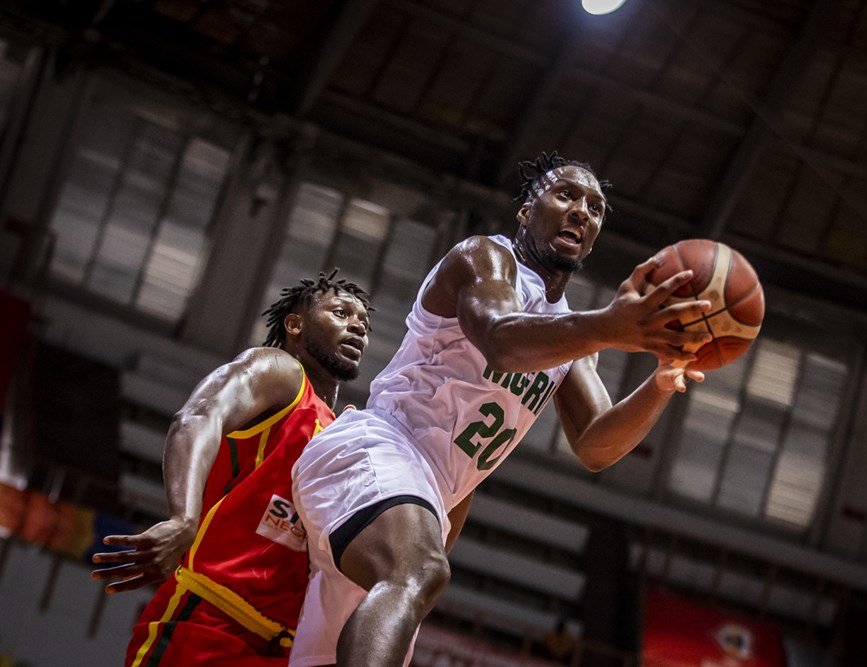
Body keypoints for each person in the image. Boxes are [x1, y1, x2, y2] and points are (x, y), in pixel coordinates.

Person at [290, 152, 712, 666]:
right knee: (418, 571)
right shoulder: (485, 258)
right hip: (375, 451)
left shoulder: (572, 334)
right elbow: (501, 340)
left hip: (418, 501)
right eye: (566, 195)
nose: (583, 211)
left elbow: (597, 446)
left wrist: (662, 382)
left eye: (596, 207)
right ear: (526, 210)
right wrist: (608, 326)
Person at [90, 271, 372, 666]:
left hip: (286, 648)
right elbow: (198, 416)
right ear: (295, 324)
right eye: (341, 313)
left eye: (363, 322)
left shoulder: (347, 429)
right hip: (209, 619)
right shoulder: (281, 373)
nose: (357, 325)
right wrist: (183, 519)